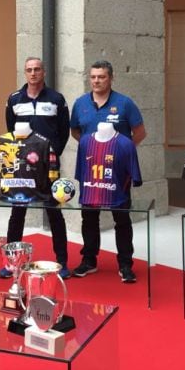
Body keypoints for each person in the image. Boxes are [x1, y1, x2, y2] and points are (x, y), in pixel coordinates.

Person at [70, 61, 145, 283]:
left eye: (101, 77)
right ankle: (89, 261)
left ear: (111, 78)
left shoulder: (124, 103)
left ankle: (125, 265)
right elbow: (76, 131)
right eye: (93, 77)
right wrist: (95, 151)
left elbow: (140, 132)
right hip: (91, 171)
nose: (96, 81)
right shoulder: (81, 104)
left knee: (121, 218)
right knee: (88, 217)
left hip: (117, 174)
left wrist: (122, 152)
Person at [1, 57, 71, 279]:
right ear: (25, 73)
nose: (33, 73)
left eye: (37, 69)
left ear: (44, 72)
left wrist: (51, 155)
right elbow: (10, 128)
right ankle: (12, 262)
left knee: (54, 213)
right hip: (22, 169)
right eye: (29, 70)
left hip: (48, 169)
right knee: (17, 213)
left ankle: (62, 261)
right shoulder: (14, 99)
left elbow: (64, 131)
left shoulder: (57, 99)